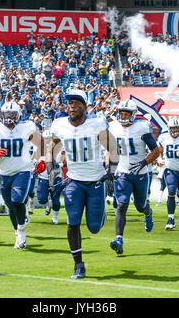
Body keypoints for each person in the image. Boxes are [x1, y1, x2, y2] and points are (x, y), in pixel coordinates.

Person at [45, 89, 119, 279]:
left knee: (94, 227)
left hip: (95, 181)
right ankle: (78, 265)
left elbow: (113, 148)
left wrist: (110, 173)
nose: (73, 107)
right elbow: (51, 149)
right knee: (73, 222)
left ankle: (100, 213)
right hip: (73, 181)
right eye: (71, 103)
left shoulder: (96, 124)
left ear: (85, 107)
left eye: (78, 103)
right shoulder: (59, 125)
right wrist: (52, 171)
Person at [0, 102, 41, 250]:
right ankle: (17, 232)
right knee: (11, 206)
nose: (9, 117)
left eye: (12, 114)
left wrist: (37, 160)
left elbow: (40, 143)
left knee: (17, 201)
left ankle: (22, 233)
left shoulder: (26, 127)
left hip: (23, 169)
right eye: (6, 114)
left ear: (18, 115)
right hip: (5, 172)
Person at [108, 99, 160, 255]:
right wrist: (110, 170)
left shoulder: (141, 128)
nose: (122, 117)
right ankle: (119, 240)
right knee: (121, 205)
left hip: (141, 174)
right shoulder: (113, 127)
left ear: (133, 114)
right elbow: (112, 150)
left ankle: (147, 212)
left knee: (140, 206)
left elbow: (156, 151)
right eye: (120, 114)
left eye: (126, 114)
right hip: (122, 171)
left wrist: (144, 162)